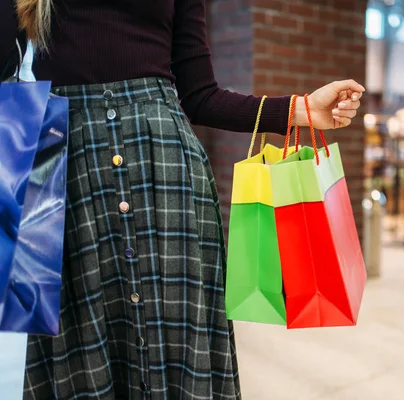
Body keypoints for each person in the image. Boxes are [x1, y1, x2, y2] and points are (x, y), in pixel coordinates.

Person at [0, 1, 365, 398]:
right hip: (64, 171)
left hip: (167, 172)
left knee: (176, 331)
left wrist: (300, 109)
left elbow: (201, 95)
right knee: (81, 336)